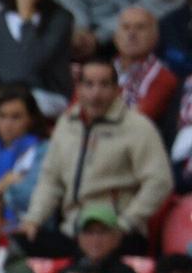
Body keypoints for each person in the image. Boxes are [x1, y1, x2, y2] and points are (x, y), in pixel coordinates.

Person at [21, 56, 170, 257]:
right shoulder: (66, 123)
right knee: (16, 245)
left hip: (117, 233)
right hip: (72, 230)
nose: (96, 93)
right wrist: (33, 220)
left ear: (118, 89)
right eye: (89, 84)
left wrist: (126, 223)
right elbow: (50, 180)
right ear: (78, 89)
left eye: (104, 85)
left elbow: (160, 181)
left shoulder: (137, 127)